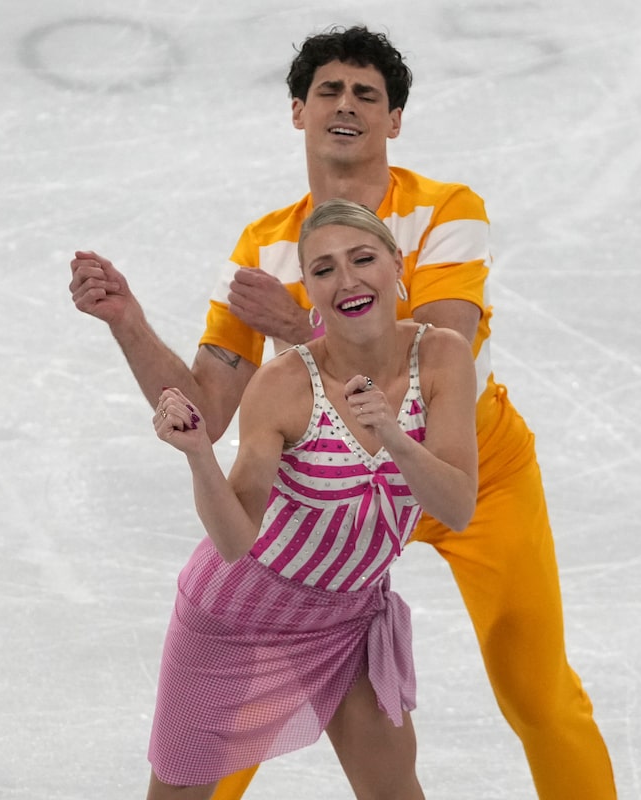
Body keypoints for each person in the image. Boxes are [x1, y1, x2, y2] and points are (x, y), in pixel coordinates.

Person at [69, 25, 616, 800]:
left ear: (394, 120)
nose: (347, 104)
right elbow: (209, 410)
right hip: (336, 502)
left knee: (537, 694)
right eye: (329, 90)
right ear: (298, 111)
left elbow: (438, 356)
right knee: (221, 750)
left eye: (369, 93)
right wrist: (127, 320)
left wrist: (299, 331)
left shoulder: (445, 212)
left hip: (472, 471)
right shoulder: (264, 248)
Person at [144, 198, 479, 798]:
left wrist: (395, 437)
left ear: (397, 264)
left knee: (395, 789)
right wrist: (199, 455)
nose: (347, 279)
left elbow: (457, 506)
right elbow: (234, 538)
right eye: (323, 270)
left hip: (348, 617)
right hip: (234, 619)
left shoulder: (441, 355)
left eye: (363, 259)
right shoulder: (284, 384)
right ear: (310, 291)